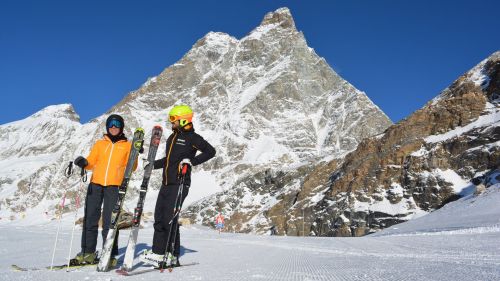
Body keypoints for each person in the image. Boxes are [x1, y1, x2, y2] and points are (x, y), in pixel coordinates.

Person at [140, 105, 216, 267]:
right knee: (160, 218)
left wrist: (191, 161)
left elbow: (211, 151)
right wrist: (152, 164)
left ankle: (171, 254)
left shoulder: (193, 138)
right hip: (166, 183)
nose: (171, 122)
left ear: (183, 119)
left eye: (173, 119)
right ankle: (159, 253)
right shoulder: (172, 138)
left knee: (169, 218)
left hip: (180, 182)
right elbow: (168, 161)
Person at [72, 114, 138, 266]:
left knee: (110, 222)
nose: (113, 127)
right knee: (90, 218)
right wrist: (83, 162)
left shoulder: (128, 145)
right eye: (111, 124)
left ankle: (110, 254)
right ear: (107, 126)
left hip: (114, 186)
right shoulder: (100, 144)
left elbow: (132, 167)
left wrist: (135, 154)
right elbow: (91, 161)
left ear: (121, 127)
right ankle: (87, 252)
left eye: (116, 124)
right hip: (95, 184)